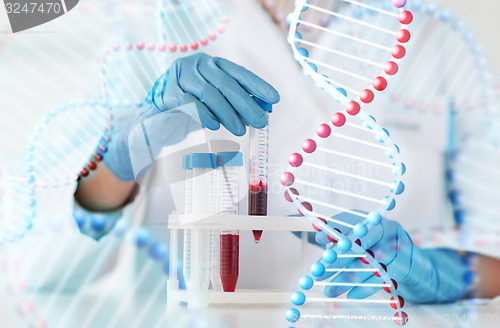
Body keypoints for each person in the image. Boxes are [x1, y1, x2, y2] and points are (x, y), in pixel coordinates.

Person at [74, 0, 500, 303]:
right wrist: (126, 147)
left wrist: (432, 273)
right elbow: (49, 262)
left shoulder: (435, 40)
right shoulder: (146, 24)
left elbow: (495, 255)